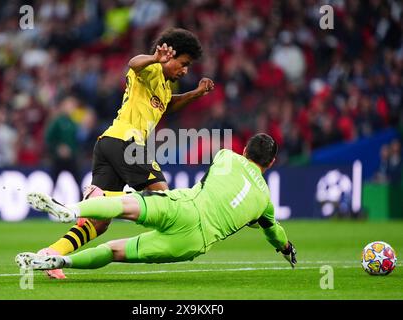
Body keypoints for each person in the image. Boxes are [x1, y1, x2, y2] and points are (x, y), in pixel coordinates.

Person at [37, 28, 215, 278]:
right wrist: (154, 58)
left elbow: (169, 105)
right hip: (128, 144)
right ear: (169, 55)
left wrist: (196, 93)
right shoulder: (151, 69)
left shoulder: (162, 86)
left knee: (98, 223)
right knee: (163, 199)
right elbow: (134, 63)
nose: (185, 70)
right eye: (183, 63)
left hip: (109, 143)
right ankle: (81, 210)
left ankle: (51, 254)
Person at [16, 134, 297, 273]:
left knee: (126, 205)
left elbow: (223, 177)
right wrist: (285, 248)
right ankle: (62, 261)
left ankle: (72, 210)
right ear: (271, 163)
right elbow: (274, 232)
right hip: (193, 242)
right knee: (113, 251)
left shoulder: (226, 156)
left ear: (245, 150)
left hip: (185, 206)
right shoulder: (265, 203)